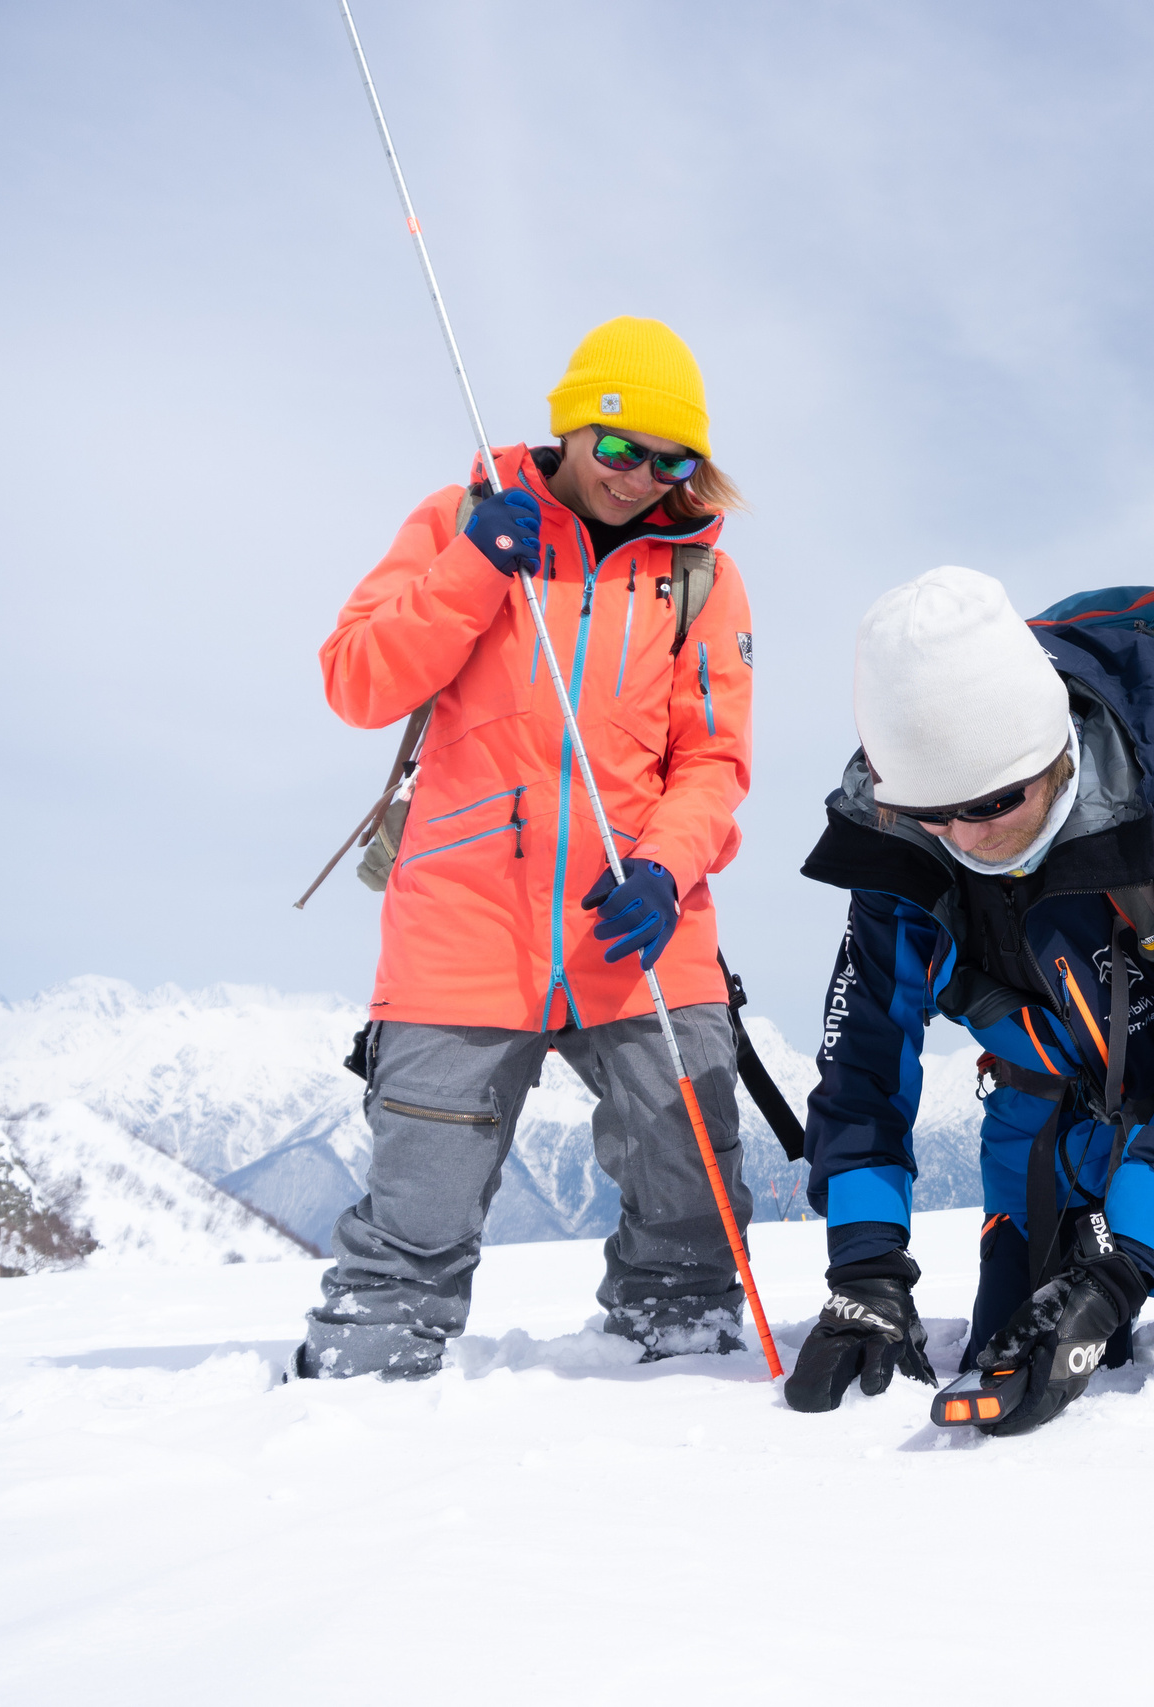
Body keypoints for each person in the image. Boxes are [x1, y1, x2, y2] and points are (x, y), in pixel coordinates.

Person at [782, 566, 1154, 1431]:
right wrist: (866, 1265)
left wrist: (1123, 1265)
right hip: (1049, 1124)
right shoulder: (900, 840)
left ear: (1052, 749)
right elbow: (864, 1057)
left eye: (991, 802)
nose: (967, 837)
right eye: (933, 813)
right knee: (1009, 1352)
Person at [298, 316, 757, 1380]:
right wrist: (470, 569)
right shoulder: (462, 518)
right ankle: (374, 1348)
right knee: (422, 1191)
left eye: (672, 459)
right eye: (620, 448)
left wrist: (663, 868)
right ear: (570, 430)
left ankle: (682, 1333)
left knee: (692, 1171)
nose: (644, 477)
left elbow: (714, 763)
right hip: (463, 916)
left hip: (642, 918)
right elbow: (357, 682)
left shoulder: (701, 578)